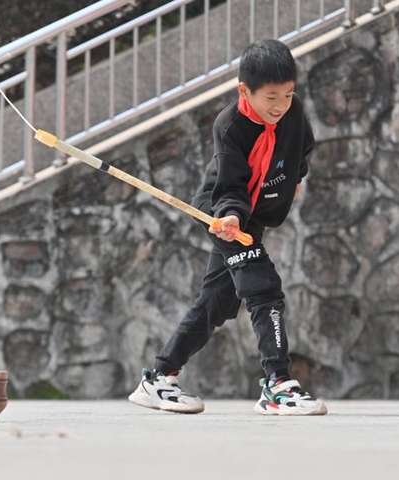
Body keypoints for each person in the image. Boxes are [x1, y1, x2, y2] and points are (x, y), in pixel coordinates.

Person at [128, 39, 326, 416]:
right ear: (243, 91)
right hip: (222, 214)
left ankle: (158, 377)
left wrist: (295, 178)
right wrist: (231, 218)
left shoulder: (293, 111)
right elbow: (230, 183)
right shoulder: (230, 125)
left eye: (287, 94)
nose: (280, 105)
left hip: (253, 218)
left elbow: (302, 148)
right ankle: (278, 384)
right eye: (271, 97)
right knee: (263, 288)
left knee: (216, 303)